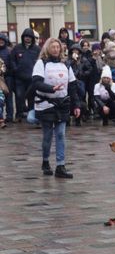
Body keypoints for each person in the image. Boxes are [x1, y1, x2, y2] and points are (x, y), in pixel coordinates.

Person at [32, 37, 80, 179]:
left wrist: (76, 105)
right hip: (46, 104)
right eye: (53, 47)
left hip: (62, 104)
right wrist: (52, 88)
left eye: (58, 47)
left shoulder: (66, 64)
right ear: (48, 48)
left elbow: (72, 86)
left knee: (60, 134)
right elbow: (36, 83)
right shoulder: (41, 63)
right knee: (47, 135)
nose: (56, 49)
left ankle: (60, 165)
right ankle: (46, 161)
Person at [8, 28, 40, 121]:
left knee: (31, 97)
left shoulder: (37, 49)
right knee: (19, 96)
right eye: (26, 37)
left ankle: (30, 115)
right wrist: (15, 69)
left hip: (31, 78)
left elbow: (40, 60)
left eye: (29, 37)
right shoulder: (17, 48)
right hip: (19, 78)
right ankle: (19, 114)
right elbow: (12, 60)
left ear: (32, 38)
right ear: (23, 37)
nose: (27, 38)